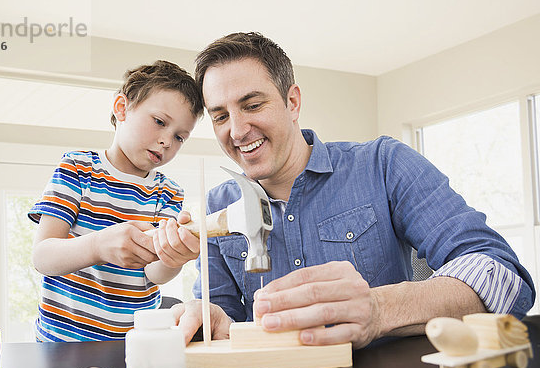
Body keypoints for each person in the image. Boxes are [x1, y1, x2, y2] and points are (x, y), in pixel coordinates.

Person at [168, 32, 535, 349]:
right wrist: (211, 323)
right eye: (220, 116)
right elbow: (220, 323)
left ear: (292, 102)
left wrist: (379, 309)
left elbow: (503, 277)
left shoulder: (383, 164)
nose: (236, 130)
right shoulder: (217, 209)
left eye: (252, 104)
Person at [29, 60, 202, 342]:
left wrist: (174, 257)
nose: (166, 141)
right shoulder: (77, 168)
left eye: (179, 137)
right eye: (159, 122)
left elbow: (155, 275)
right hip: (58, 343)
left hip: (132, 346)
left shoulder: (168, 193)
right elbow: (42, 257)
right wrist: (97, 246)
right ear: (122, 108)